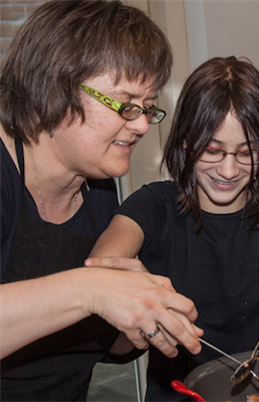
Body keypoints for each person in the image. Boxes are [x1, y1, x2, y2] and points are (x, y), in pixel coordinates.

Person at [87, 55, 259, 401]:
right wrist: (125, 287)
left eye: (247, 153)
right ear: (185, 141)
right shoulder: (152, 206)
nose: (228, 170)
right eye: (212, 150)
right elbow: (97, 272)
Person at [0, 1, 203, 400]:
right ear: (56, 85)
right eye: (126, 104)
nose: (143, 124)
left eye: (147, 107)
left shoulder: (100, 190)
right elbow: (84, 294)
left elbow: (97, 346)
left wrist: (138, 322)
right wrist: (91, 290)